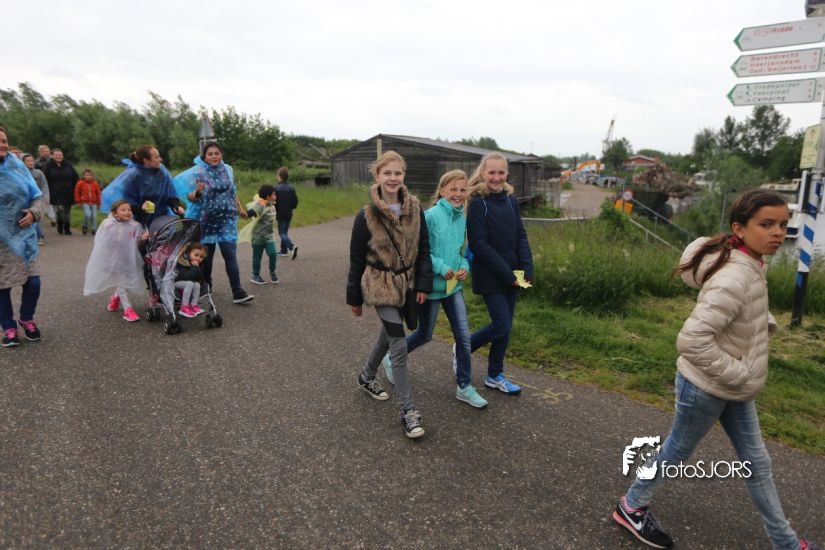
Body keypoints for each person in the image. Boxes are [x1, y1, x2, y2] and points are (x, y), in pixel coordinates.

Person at [612, 189, 821, 550]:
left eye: (783, 224)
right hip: (707, 386)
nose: (778, 232)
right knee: (677, 451)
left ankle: (786, 543)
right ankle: (631, 506)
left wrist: (760, 324)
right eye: (767, 224)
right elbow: (692, 340)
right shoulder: (735, 275)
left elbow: (738, 310)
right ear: (739, 228)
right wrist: (741, 374)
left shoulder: (750, 262)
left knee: (757, 462)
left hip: (731, 384)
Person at [382, 169, 487, 408]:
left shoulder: (462, 218)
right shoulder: (429, 217)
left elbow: (460, 252)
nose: (458, 194)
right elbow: (419, 251)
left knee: (464, 338)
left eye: (462, 190)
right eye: (453, 189)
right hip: (430, 287)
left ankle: (464, 387)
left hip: (453, 288)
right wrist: (440, 267)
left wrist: (464, 266)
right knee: (424, 334)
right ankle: (392, 358)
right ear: (441, 190)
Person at [346, 151, 433, 439]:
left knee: (388, 335)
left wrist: (423, 285)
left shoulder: (416, 209)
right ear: (377, 176)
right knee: (398, 344)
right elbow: (356, 259)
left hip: (406, 284)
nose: (393, 178)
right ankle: (408, 411)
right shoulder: (366, 215)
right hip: (379, 285)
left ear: (403, 175)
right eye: (387, 173)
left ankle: (366, 376)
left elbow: (424, 250)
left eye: (398, 173)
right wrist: (354, 298)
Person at [466, 152, 533, 395]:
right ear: (483, 173)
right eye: (491, 172)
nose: (496, 177)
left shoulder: (510, 200)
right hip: (490, 275)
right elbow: (479, 245)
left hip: (513, 274)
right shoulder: (478, 203)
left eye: (501, 172)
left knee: (505, 327)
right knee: (501, 324)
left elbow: (520, 235)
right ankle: (463, 348)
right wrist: (508, 275)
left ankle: (494, 375)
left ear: (507, 174)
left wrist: (527, 266)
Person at [173, 141, 253, 304]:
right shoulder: (198, 173)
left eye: (217, 153)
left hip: (226, 220)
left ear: (221, 154)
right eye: (210, 154)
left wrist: (240, 208)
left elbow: (232, 191)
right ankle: (206, 287)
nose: (214, 156)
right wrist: (198, 191)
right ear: (204, 157)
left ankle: (238, 291)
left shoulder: (228, 169)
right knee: (206, 258)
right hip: (205, 221)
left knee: (230, 255)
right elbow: (190, 197)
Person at [0, 127, 44, 347]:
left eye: (4, 140)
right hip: (1, 241)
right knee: (2, 286)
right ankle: (8, 327)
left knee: (33, 282)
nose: (3, 145)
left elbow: (37, 196)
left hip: (24, 235)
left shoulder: (17, 165)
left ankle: (27, 318)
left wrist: (35, 213)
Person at [83, 200, 144, 323]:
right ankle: (128, 309)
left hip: (127, 259)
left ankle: (116, 298)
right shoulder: (108, 224)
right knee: (120, 280)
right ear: (115, 213)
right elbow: (101, 242)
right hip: (112, 259)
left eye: (129, 210)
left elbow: (138, 241)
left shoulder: (134, 226)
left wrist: (143, 238)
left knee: (125, 280)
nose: (127, 212)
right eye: (123, 210)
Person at [101, 145, 185, 229]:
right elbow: (128, 203)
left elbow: (170, 193)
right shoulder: (133, 176)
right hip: (138, 223)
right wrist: (142, 209)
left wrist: (176, 206)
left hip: (161, 221)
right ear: (146, 161)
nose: (160, 159)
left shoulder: (162, 172)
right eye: (157, 157)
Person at [240, 184, 279, 285]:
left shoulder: (271, 204)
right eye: (274, 194)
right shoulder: (260, 204)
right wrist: (244, 213)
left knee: (273, 254)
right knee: (257, 257)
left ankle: (272, 272)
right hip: (258, 236)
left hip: (269, 236)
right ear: (268, 196)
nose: (275, 196)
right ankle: (255, 276)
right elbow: (251, 212)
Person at [41, 148, 78, 235]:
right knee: (59, 211)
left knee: (67, 211)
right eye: (56, 155)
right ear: (52, 156)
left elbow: (76, 176)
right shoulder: (47, 165)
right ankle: (60, 226)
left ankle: (67, 227)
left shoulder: (68, 164)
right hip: (55, 192)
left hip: (68, 192)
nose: (59, 156)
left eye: (60, 155)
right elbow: (44, 179)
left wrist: (77, 188)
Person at [22, 154, 49, 245]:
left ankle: (40, 236)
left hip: (37, 199)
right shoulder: (20, 173)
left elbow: (44, 186)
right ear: (23, 163)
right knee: (27, 218)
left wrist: (46, 197)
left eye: (32, 161)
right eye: (28, 161)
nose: (30, 163)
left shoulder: (39, 173)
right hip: (25, 199)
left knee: (35, 217)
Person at [175, 243, 206, 318]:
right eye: (196, 255)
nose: (198, 258)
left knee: (197, 285)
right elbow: (186, 277)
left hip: (189, 283)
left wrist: (197, 268)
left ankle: (193, 305)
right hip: (177, 282)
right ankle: (184, 307)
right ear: (189, 253)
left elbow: (200, 279)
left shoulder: (198, 264)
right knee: (190, 283)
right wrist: (194, 267)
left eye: (201, 257)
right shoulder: (183, 262)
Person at [274, 166, 299, 259]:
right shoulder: (291, 188)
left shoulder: (276, 188)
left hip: (280, 213)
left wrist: (274, 209)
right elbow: (295, 201)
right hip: (289, 213)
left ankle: (292, 247)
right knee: (285, 232)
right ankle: (283, 250)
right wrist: (292, 207)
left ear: (279, 176)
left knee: (282, 233)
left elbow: (274, 201)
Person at [75, 168, 102, 235]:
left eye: (90, 175)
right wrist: (78, 202)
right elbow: (77, 192)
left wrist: (99, 203)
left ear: (93, 176)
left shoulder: (95, 184)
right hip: (85, 202)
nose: (88, 176)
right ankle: (85, 226)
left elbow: (98, 193)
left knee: (94, 216)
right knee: (87, 215)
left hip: (94, 203)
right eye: (86, 175)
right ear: (83, 176)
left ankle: (94, 229)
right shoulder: (80, 183)